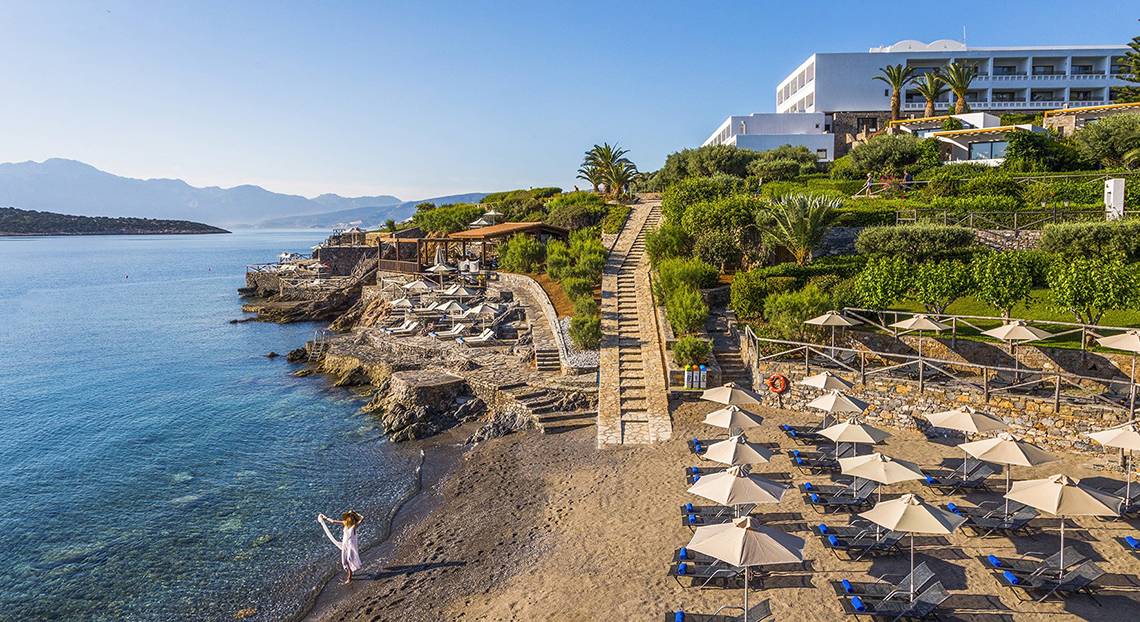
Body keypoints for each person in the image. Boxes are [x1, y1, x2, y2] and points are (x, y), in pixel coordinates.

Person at [318, 510, 364, 583]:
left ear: (353, 518)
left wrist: (354, 513)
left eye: (351, 516)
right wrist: (325, 518)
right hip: (345, 545)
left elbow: (362, 518)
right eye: (349, 516)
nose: (349, 518)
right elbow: (333, 521)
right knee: (344, 561)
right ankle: (350, 573)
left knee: (349, 560)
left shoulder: (354, 526)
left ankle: (350, 577)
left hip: (351, 546)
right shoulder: (345, 523)